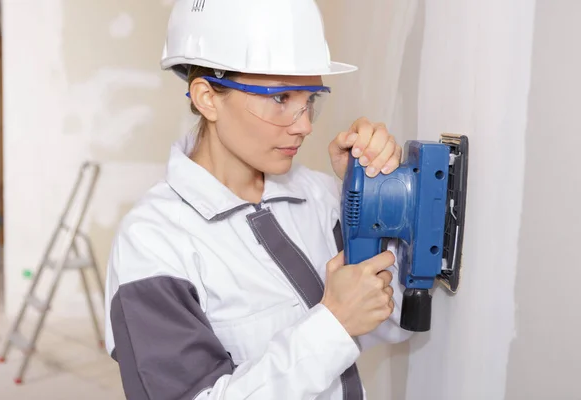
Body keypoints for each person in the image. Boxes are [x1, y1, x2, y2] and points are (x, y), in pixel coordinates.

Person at [104, 0, 415, 399]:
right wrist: (332, 325)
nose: (303, 126)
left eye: (310, 101)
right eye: (281, 98)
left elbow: (398, 319)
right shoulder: (151, 242)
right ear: (207, 98)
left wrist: (372, 199)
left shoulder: (318, 196)